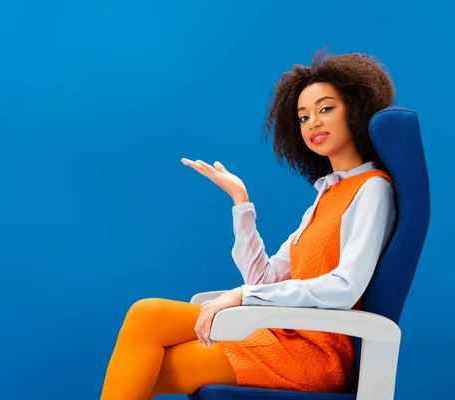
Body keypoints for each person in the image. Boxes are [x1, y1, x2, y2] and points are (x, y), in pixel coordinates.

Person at [100, 48, 398, 399]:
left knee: (143, 369)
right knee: (146, 315)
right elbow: (264, 281)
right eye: (303, 117)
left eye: (326, 109)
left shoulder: (373, 189)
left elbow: (346, 287)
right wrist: (241, 204)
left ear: (356, 109)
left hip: (314, 353)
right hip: (283, 333)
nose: (313, 122)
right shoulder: (327, 195)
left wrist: (243, 296)